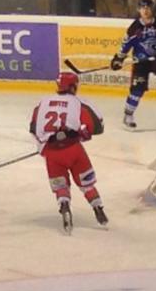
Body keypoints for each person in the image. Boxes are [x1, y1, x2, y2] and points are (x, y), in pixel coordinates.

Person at [29, 72, 108, 234]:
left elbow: (33, 128)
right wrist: (81, 133)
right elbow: (97, 127)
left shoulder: (42, 103)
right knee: (87, 184)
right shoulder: (79, 103)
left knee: (61, 186)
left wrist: (42, 147)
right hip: (73, 149)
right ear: (73, 87)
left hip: (52, 153)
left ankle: (65, 208)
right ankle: (98, 208)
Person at [110, 0, 156, 130]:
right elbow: (125, 45)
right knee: (137, 90)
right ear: (139, 10)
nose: (146, 10)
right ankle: (128, 116)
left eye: (148, 7)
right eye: (143, 8)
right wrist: (118, 59)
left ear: (152, 8)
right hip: (142, 62)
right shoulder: (134, 27)